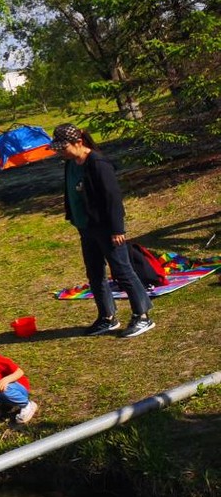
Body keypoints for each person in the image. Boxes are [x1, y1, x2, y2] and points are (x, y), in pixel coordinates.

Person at [52, 123, 154, 338]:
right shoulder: (70, 163)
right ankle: (107, 317)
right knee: (95, 273)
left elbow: (113, 198)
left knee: (122, 271)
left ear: (78, 142)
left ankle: (143, 316)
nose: (60, 152)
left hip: (106, 229)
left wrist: (117, 229)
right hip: (85, 227)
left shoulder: (98, 163)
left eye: (63, 147)